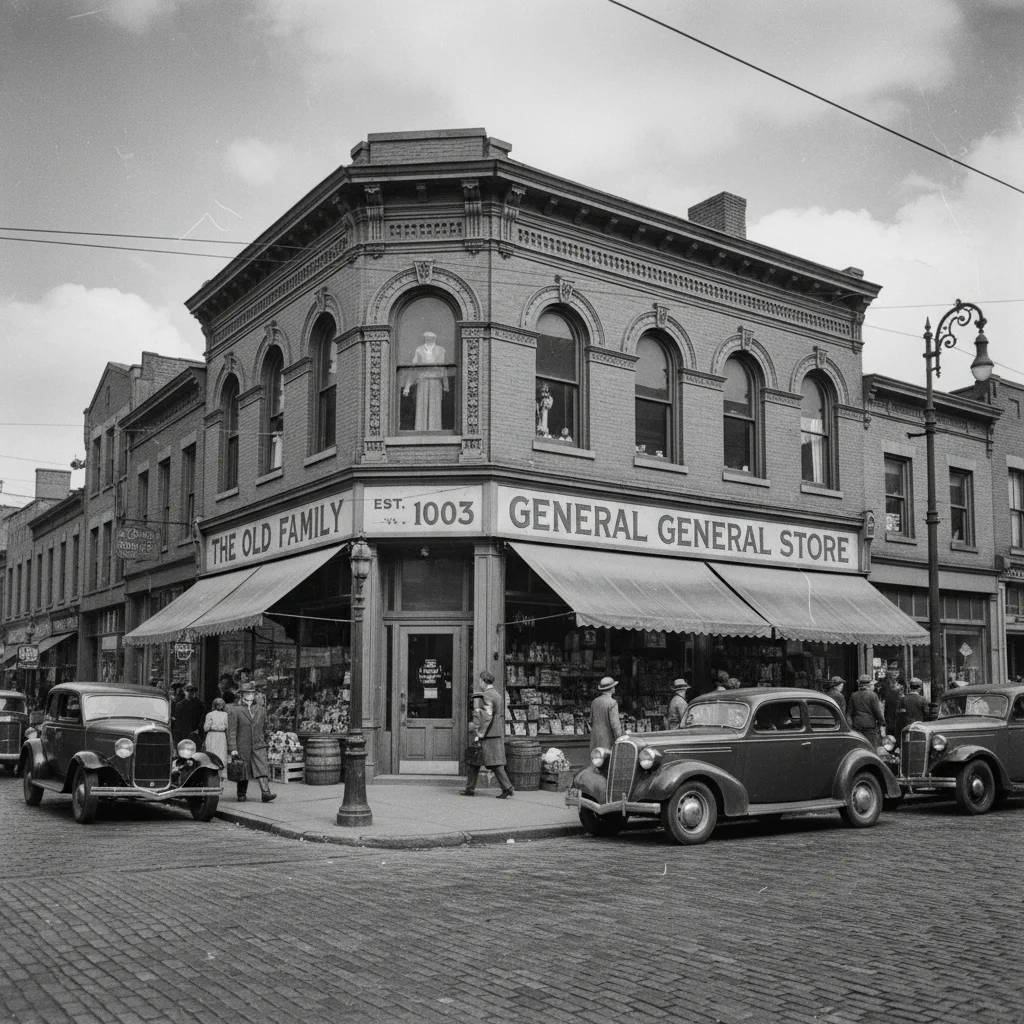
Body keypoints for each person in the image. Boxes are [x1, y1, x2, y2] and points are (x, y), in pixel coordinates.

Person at [459, 671, 514, 799]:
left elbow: (487, 717)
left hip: (489, 735)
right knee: (476, 762)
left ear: (483, 681)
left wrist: (480, 734)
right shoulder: (497, 694)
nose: (479, 683)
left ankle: (508, 788)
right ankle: (470, 789)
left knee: (494, 764)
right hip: (495, 733)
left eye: (479, 681)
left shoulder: (487, 696)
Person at [227, 680, 276, 803]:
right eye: (247, 693)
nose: (250, 695)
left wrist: (268, 740)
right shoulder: (236, 710)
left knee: (262, 767)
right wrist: (233, 749)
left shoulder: (261, 709)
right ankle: (241, 794)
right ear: (242, 694)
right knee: (244, 770)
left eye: (252, 693)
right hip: (243, 745)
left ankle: (266, 793)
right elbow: (232, 732)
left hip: (258, 744)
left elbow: (266, 727)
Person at [402, 331, 449, 431]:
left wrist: (446, 386)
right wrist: (407, 386)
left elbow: (443, 369)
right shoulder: (419, 350)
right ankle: (420, 431)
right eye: (427, 337)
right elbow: (413, 369)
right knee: (421, 407)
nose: (429, 339)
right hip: (422, 381)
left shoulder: (441, 350)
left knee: (434, 408)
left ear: (434, 338)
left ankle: (435, 432)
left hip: (435, 381)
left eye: (431, 338)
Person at [847, 673, 885, 746]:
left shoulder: (853, 695)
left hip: (857, 725)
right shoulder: (873, 695)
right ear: (869, 684)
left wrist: (850, 724)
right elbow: (877, 711)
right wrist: (882, 722)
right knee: (871, 746)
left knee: (859, 746)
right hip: (870, 726)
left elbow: (849, 712)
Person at [590, 676, 624, 750]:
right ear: (612, 689)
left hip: (595, 739)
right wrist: (619, 738)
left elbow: (591, 721)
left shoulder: (594, 701)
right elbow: (615, 724)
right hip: (607, 740)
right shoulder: (612, 702)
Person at [203, 697, 229, 778]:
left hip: (212, 735)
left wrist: (212, 726)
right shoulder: (225, 715)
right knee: (221, 753)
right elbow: (227, 727)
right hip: (221, 736)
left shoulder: (210, 715)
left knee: (212, 752)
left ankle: (211, 772)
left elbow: (206, 728)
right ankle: (220, 773)